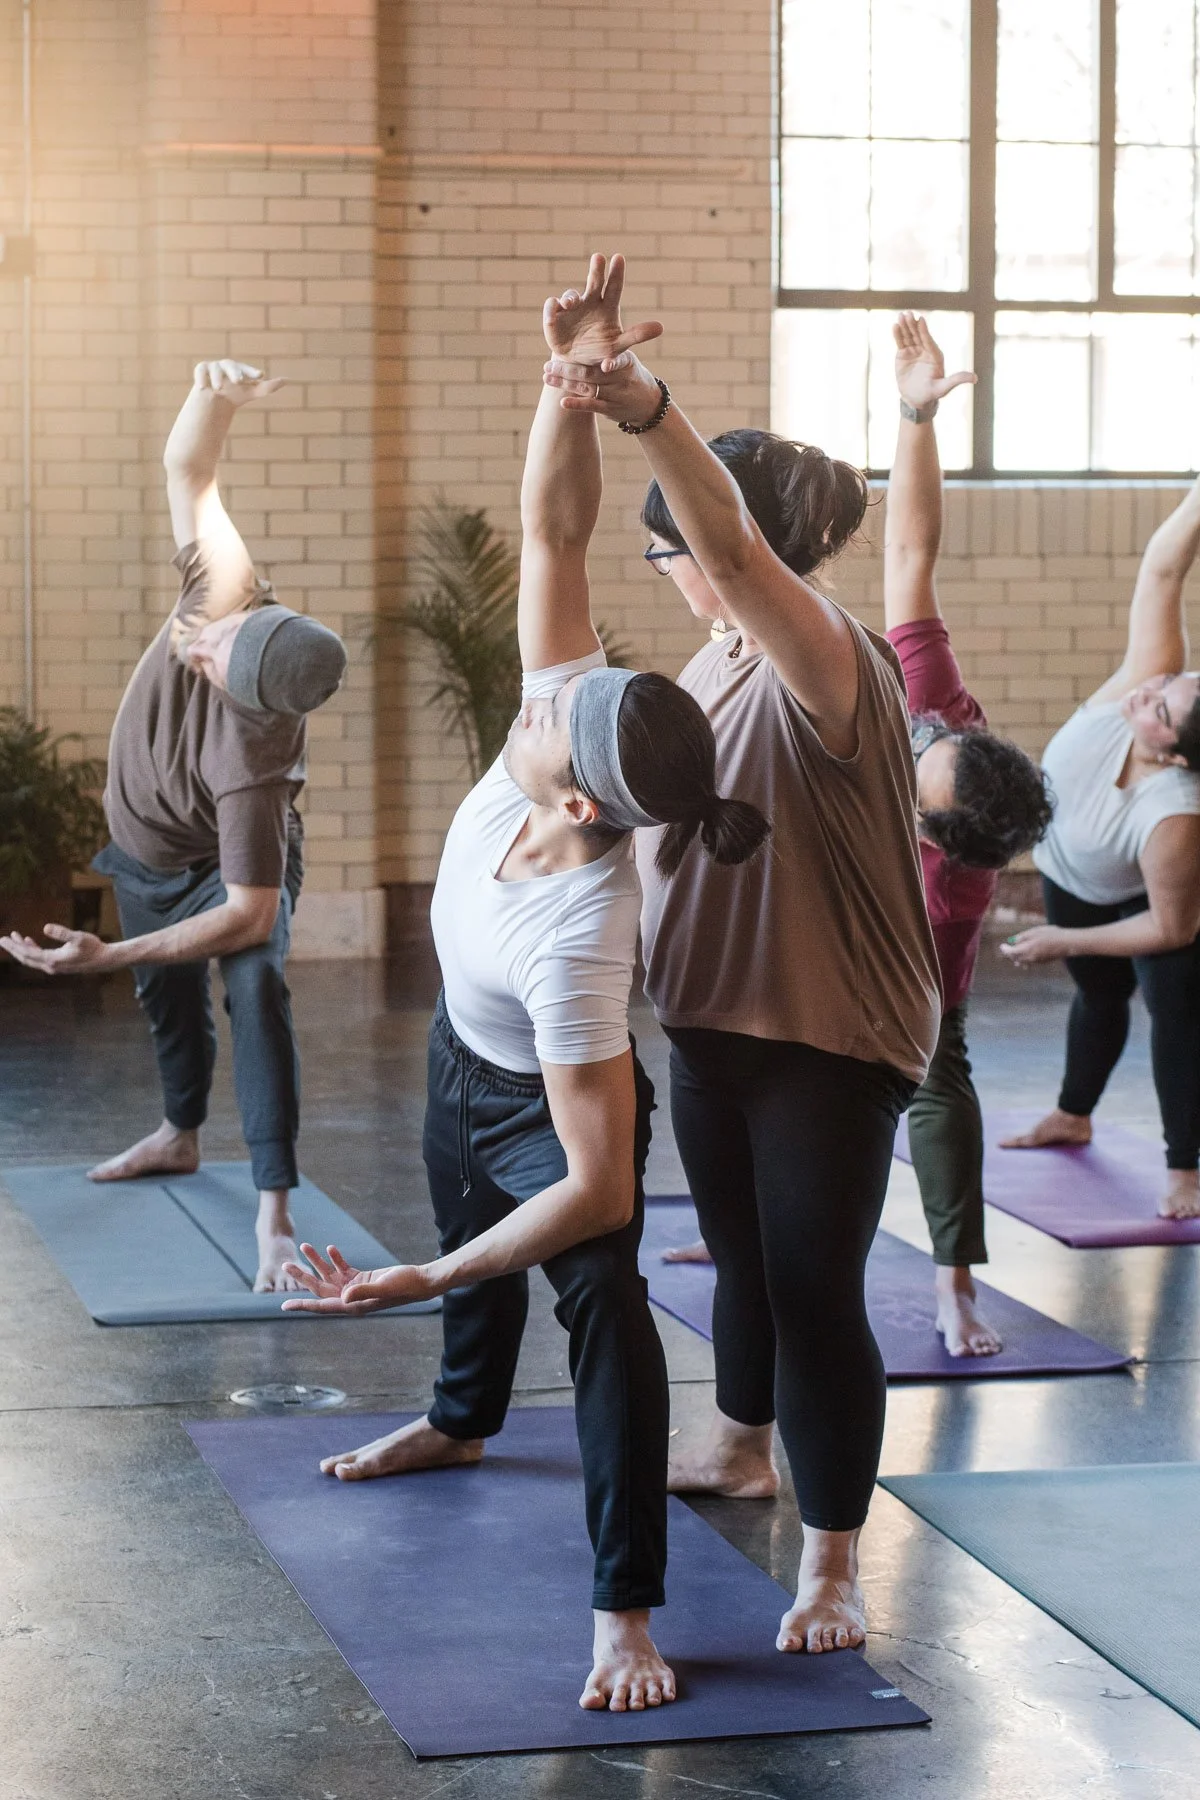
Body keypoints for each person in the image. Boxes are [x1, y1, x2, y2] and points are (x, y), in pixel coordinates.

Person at [282, 256, 770, 1714]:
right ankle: (459, 1420)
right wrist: (572, 377)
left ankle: (626, 1610)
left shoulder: (581, 946)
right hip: (458, 1052)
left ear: (581, 810)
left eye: (565, 723)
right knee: (464, 1228)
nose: (546, 699)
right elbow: (554, 532)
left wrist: (427, 1275)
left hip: (536, 1097)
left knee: (600, 1307)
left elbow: (603, 1187)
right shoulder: (558, 733)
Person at [543, 256, 940, 1658]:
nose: (671, 568)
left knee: (814, 1285)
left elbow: (728, 557)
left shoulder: (823, 654)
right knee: (740, 1267)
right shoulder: (703, 671)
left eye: (684, 549)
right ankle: (738, 1446)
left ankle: (833, 1563)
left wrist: (641, 401)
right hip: (711, 1029)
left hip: (830, 1037)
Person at [659, 315, 1055, 1358]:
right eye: (934, 742)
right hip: (745, 1016)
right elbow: (915, 549)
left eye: (928, 763)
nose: (920, 741)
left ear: (930, 826)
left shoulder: (937, 891)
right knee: (767, 1232)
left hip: (894, 1002)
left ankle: (957, 1280)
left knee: (940, 1098)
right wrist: (916, 419)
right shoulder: (925, 696)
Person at [1, 361, 347, 1292]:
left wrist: (106, 958)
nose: (201, 638)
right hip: (144, 852)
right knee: (169, 1009)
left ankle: (275, 1210)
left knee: (257, 988)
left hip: (216, 872)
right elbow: (187, 472)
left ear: (251, 692)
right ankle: (179, 1134)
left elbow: (242, 914)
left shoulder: (252, 763)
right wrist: (215, 396)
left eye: (221, 650)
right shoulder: (225, 590)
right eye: (223, 624)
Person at [1000, 469, 1200, 1220]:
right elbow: (1163, 568)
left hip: (1144, 897)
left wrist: (1060, 937)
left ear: (1176, 753)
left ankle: (1185, 1167)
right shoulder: (1142, 680)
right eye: (1165, 684)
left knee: (1175, 1006)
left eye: (1159, 708)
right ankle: (1072, 1113)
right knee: (1097, 995)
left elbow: (1173, 926)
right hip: (1072, 872)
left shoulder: (1174, 815)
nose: (1143, 692)